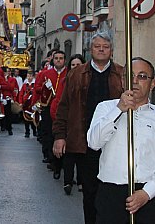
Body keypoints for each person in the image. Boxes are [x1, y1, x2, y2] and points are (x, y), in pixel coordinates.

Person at [88, 57, 155, 224]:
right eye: (130, 76)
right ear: (123, 81)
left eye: (142, 76)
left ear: (152, 83)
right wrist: (118, 110)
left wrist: (147, 193)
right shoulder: (106, 108)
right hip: (111, 193)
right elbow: (94, 142)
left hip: (149, 194)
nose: (135, 81)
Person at [52, 32, 123, 224]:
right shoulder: (75, 74)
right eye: (97, 46)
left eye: (105, 46)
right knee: (90, 191)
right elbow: (64, 106)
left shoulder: (122, 74)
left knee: (113, 191)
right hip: (85, 143)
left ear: (111, 50)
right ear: (90, 49)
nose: (101, 49)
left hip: (115, 143)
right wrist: (60, 136)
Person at [62, 53, 86, 194]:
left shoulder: (87, 80)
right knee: (69, 154)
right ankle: (68, 181)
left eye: (79, 65)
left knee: (82, 156)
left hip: (83, 122)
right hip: (70, 122)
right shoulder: (67, 81)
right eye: (73, 65)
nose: (76, 68)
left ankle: (82, 181)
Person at [45, 50, 68, 180]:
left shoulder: (68, 74)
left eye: (61, 58)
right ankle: (54, 163)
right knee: (51, 136)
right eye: (56, 58)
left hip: (64, 108)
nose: (58, 60)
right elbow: (38, 89)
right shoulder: (47, 74)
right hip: (49, 107)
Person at [20, 70, 37, 138]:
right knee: (26, 119)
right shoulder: (24, 85)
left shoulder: (35, 85)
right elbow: (21, 94)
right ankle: (27, 132)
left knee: (33, 118)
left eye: (30, 76)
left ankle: (34, 131)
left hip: (32, 104)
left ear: (33, 76)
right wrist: (21, 102)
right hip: (26, 104)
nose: (29, 77)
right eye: (28, 76)